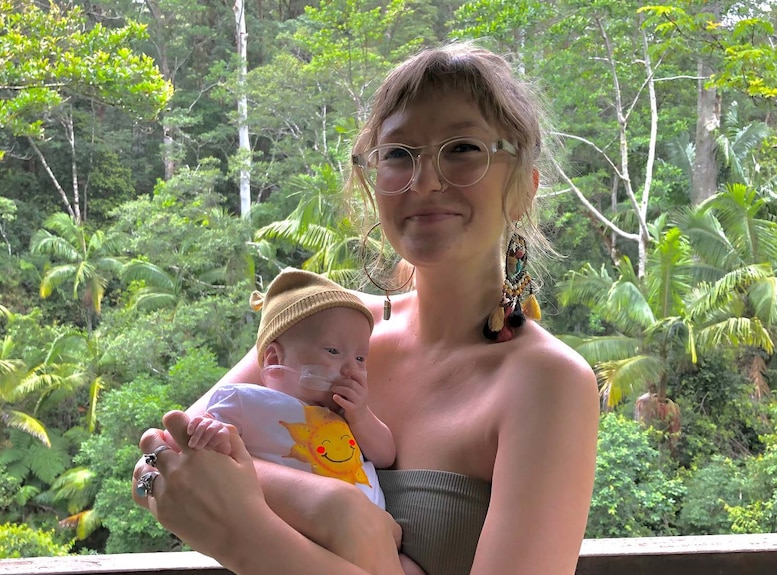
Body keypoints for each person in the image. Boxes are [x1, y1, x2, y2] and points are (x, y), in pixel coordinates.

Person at [134, 41, 600, 575]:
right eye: (399, 154)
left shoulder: (546, 381)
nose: (425, 182)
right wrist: (336, 508)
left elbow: (193, 484)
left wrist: (255, 536)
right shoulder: (336, 326)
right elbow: (156, 466)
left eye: (463, 148)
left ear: (522, 188)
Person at [185, 268, 393, 510]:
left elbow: (385, 456)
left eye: (360, 358)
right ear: (274, 359)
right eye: (333, 351)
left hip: (371, 527)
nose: (351, 369)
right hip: (302, 524)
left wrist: (361, 415)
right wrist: (213, 432)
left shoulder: (347, 413)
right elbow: (209, 440)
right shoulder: (246, 402)